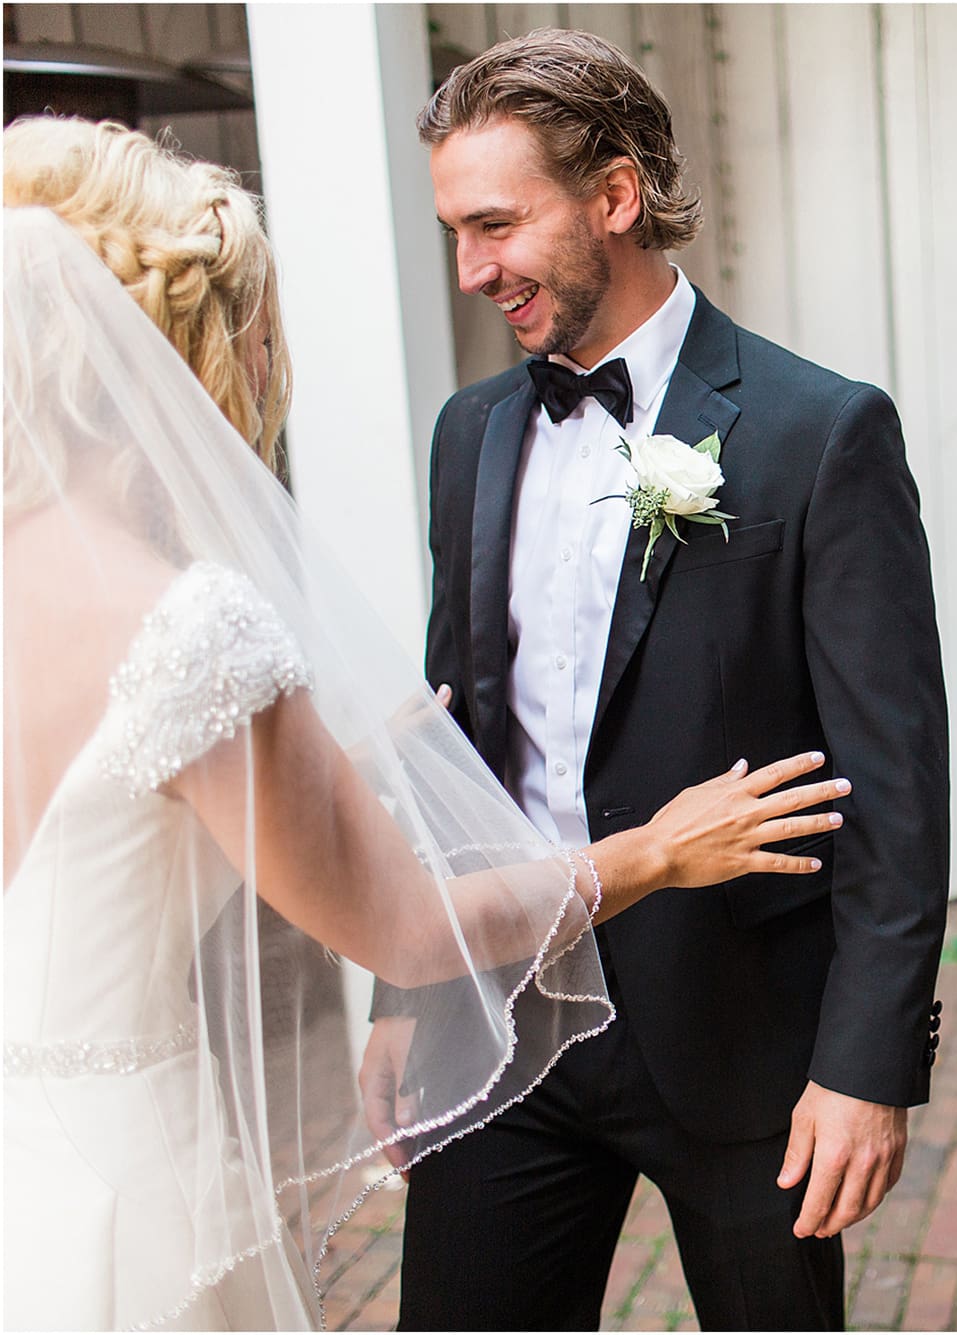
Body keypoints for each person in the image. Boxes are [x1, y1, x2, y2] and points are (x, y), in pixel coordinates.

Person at [1, 118, 845, 1330]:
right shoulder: (187, 628)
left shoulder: (817, 426)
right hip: (132, 1195)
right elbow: (398, 921)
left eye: (491, 225)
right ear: (176, 352)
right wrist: (654, 851)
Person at [363, 27, 952, 1331]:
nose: (472, 269)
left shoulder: (818, 434)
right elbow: (448, 746)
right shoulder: (471, 436)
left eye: (496, 224)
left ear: (615, 197)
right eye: (457, 231)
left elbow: (898, 786)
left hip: (746, 1040)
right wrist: (411, 990)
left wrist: (867, 1067)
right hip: (507, 1026)